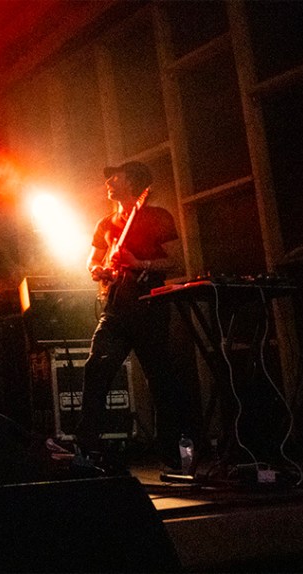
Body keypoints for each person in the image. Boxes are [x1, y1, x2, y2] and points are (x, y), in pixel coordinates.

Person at [77, 160, 192, 472]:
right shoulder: (106, 224)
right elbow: (92, 262)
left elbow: (176, 260)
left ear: (132, 181)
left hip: (149, 307)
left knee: (160, 379)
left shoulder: (157, 216)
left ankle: (171, 453)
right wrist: (98, 270)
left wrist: (139, 263)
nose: (108, 182)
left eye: (115, 177)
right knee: (96, 370)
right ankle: (87, 450)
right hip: (115, 309)